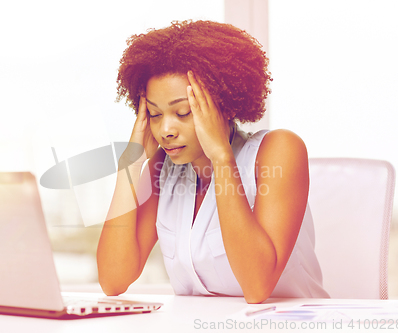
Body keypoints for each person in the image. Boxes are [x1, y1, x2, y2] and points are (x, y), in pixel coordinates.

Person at [97, 20, 329, 303]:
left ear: (223, 106)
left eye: (183, 112)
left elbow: (256, 287)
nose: (166, 130)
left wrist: (221, 157)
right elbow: (113, 280)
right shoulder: (162, 169)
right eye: (155, 115)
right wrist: (130, 166)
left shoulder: (278, 150)